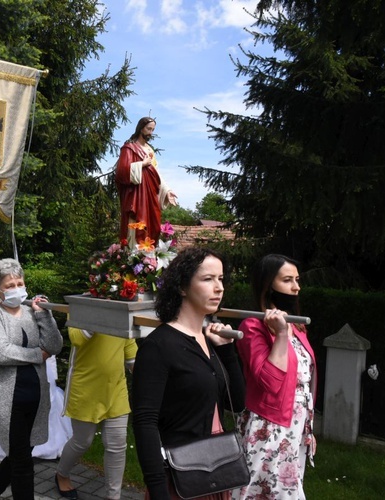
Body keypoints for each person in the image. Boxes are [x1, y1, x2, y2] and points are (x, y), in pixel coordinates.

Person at [131, 247, 245, 500]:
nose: (219, 287)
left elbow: (236, 403)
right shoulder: (158, 346)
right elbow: (144, 423)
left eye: (221, 278)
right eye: (208, 279)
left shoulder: (207, 341)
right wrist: (159, 491)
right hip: (180, 477)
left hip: (216, 467)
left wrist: (227, 351)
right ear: (182, 287)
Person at [0, 258, 63, 500]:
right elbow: (0, 352)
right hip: (6, 401)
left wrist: (44, 316)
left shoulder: (30, 312)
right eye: (10, 285)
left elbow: (54, 346)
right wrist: (38, 355)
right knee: (24, 463)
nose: (16, 288)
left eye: (19, 283)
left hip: (35, 398)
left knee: (19, 453)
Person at [233, 254, 317, 500]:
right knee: (262, 491)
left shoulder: (298, 326)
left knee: (286, 489)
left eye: (297, 280)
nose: (296, 287)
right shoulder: (252, 326)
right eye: (288, 280)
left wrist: (309, 430)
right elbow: (269, 382)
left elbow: (305, 378)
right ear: (269, 284)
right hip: (268, 423)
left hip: (297, 423)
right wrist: (280, 335)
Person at [55, 326, 137, 500]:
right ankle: (61, 474)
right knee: (82, 442)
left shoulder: (120, 314)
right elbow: (77, 338)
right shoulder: (83, 306)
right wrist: (99, 313)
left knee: (117, 446)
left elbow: (131, 355)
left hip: (116, 390)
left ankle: (113, 496)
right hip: (85, 390)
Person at [115, 117, 178, 245]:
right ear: (140, 128)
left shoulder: (150, 150)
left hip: (149, 196)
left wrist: (167, 191)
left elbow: (156, 173)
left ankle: (147, 257)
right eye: (148, 129)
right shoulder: (129, 148)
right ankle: (133, 256)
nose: (150, 132)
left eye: (153, 130)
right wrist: (141, 164)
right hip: (135, 195)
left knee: (151, 225)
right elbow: (121, 172)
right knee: (136, 224)